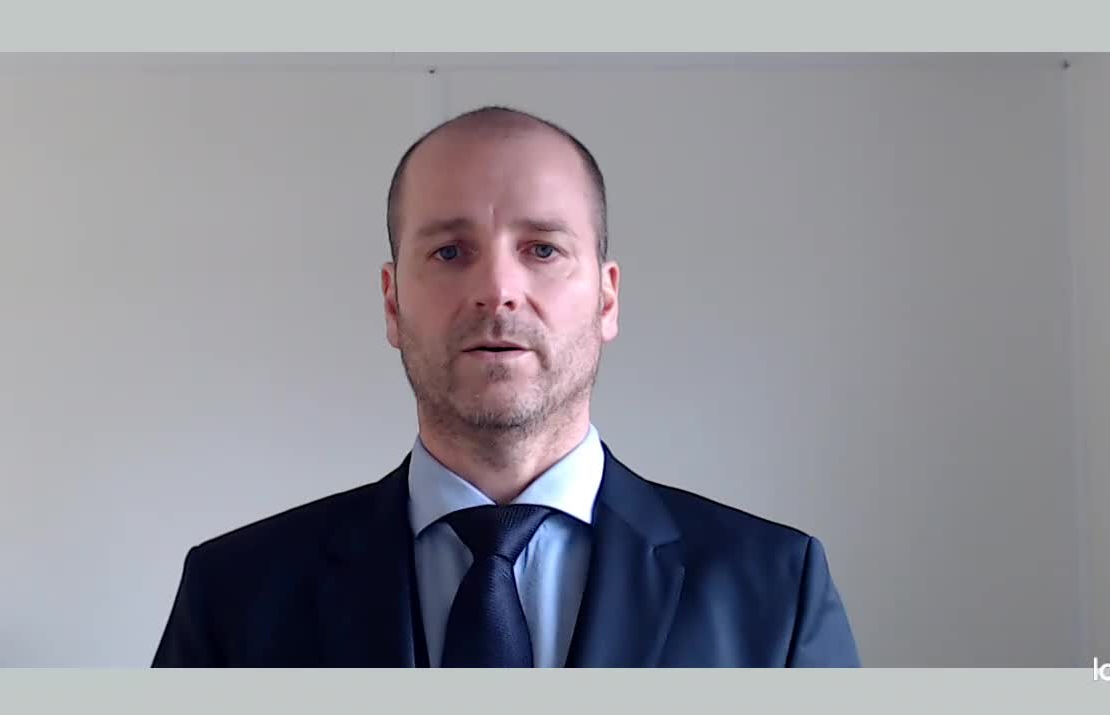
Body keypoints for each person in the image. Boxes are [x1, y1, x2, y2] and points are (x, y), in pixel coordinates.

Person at [151, 105, 861, 668]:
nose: (497, 290)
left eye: (543, 249)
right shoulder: (233, 595)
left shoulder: (776, 590)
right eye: (449, 252)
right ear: (392, 303)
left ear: (607, 299)